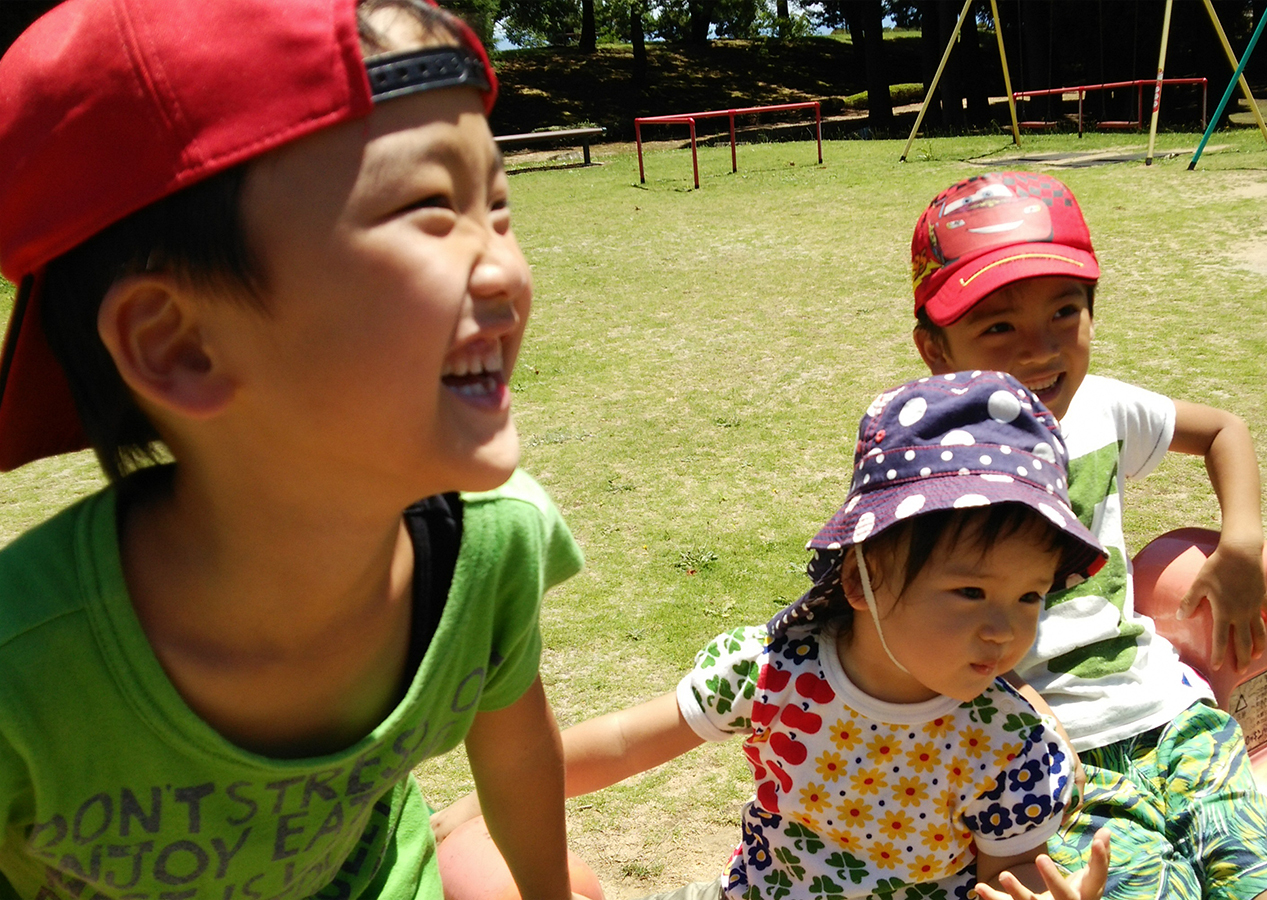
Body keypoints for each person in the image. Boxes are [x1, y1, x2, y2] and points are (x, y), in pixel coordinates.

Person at [0, 1, 594, 897]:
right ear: (179, 346)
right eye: (432, 207)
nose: (508, 269)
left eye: (498, 208)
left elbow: (514, 756)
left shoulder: (493, 549)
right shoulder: (22, 671)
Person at [437, 371, 1116, 900]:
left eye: (1030, 595)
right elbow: (621, 745)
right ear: (861, 581)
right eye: (970, 591)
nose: (1005, 629)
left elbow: (1012, 872)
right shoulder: (773, 672)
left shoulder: (1010, 746)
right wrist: (479, 802)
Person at [905, 172, 1267, 899]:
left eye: (1065, 311)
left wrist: (1244, 544)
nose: (1039, 350)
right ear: (936, 349)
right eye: (998, 326)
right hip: (1045, 762)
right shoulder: (928, 461)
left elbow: (1224, 429)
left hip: (1175, 720)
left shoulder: (1102, 407)